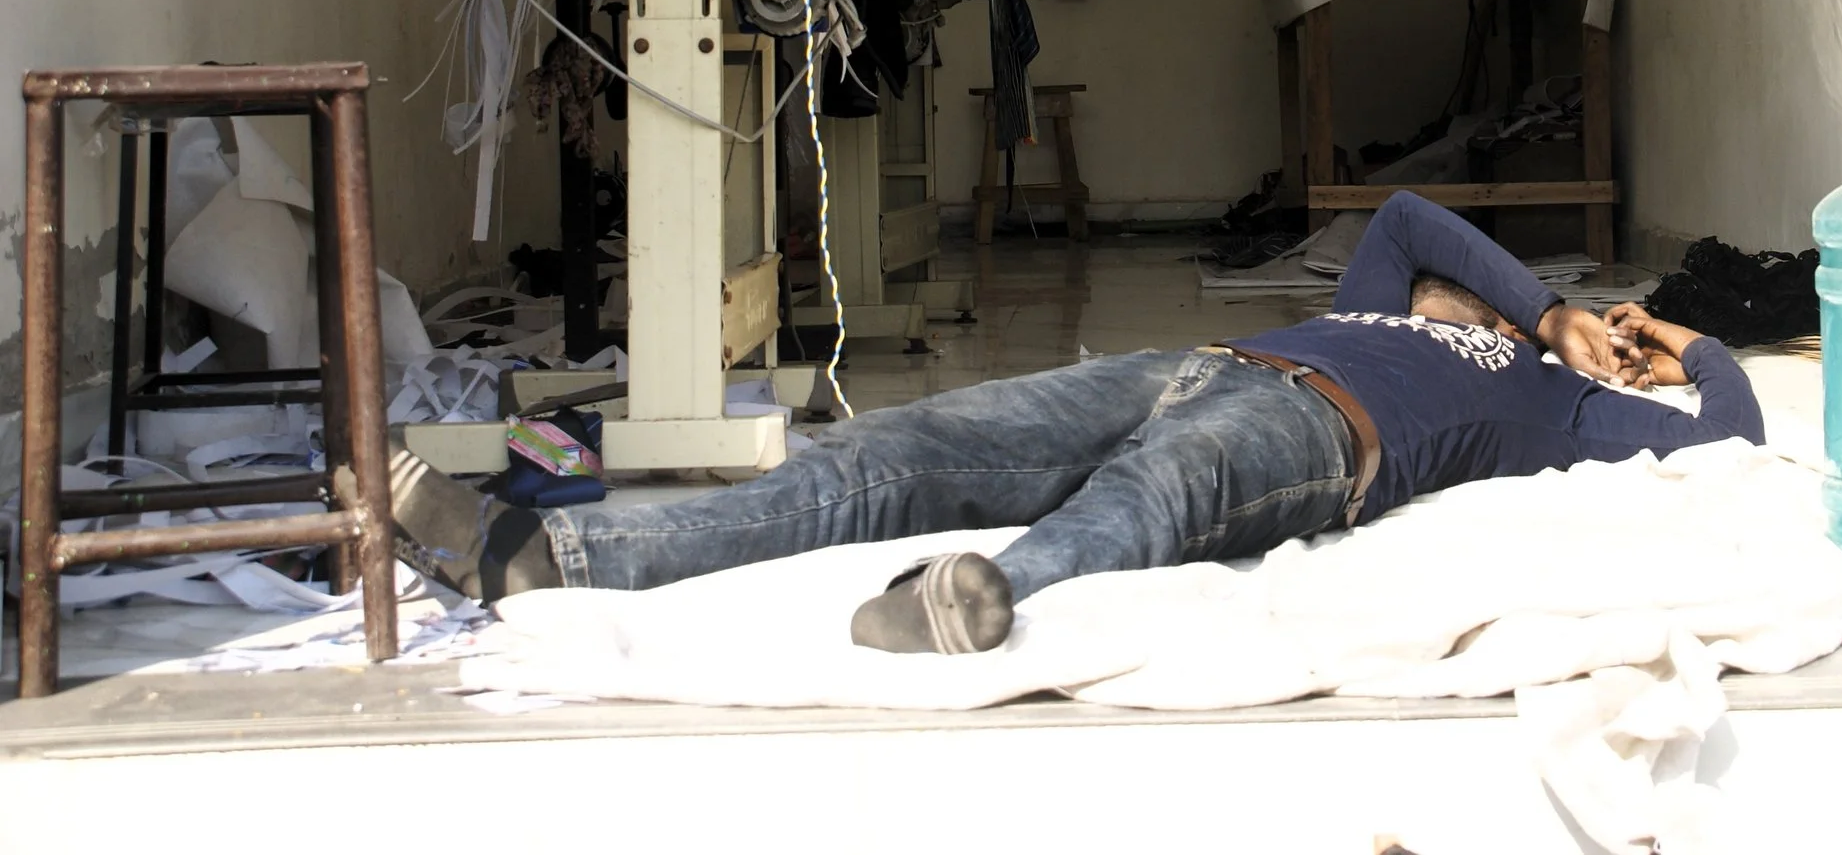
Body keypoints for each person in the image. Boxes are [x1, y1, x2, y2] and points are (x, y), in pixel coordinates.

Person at [389, 191, 1764, 654]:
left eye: (1645, 351)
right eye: (1630, 332)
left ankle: (981, 594)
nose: (1629, 342)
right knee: (893, 449)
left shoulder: (1567, 409)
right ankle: (554, 562)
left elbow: (1733, 427)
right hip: (1194, 359)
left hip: (1322, 436)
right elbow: (1409, 220)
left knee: (1150, 502)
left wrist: (1672, 344)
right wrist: (1550, 300)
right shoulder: (1406, 302)